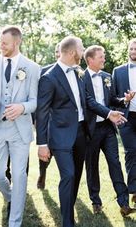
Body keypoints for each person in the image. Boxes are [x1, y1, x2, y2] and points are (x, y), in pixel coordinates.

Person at [36, 36, 127, 227]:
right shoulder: (49, 77)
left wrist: (109, 113)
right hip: (60, 136)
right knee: (68, 175)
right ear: (71, 52)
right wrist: (42, 144)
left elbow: (88, 100)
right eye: (81, 48)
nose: (83, 50)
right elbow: (42, 113)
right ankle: (67, 223)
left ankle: (68, 212)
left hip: (81, 133)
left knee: (76, 176)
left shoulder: (78, 72)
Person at [0, 25, 40, 227]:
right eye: (0, 41)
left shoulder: (32, 67)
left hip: (19, 130)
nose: (1, 45)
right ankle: (13, 196)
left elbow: (35, 101)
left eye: (4, 43)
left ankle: (15, 222)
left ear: (16, 42)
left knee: (19, 174)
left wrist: (22, 107)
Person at [84, 45, 135, 216]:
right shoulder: (80, 77)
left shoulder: (107, 76)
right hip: (90, 130)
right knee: (92, 166)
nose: (104, 59)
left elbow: (112, 99)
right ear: (90, 60)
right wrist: (109, 113)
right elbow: (89, 102)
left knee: (115, 162)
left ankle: (124, 203)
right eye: (101, 57)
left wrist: (124, 100)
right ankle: (96, 201)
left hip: (107, 128)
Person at [113, 38, 136, 206]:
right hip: (126, 117)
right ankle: (134, 190)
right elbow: (113, 97)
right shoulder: (118, 71)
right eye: (132, 48)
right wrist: (125, 100)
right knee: (131, 152)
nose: (134, 51)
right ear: (128, 50)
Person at [37, 42, 60, 190]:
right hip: (48, 119)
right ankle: (42, 173)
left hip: (65, 120)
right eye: (56, 52)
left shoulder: (76, 71)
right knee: (46, 150)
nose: (58, 54)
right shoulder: (44, 71)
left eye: (60, 51)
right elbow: (38, 98)